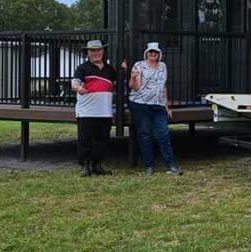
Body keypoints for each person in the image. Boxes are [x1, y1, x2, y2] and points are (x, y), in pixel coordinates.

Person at [128, 41, 181, 175]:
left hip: (158, 104)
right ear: (146, 53)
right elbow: (133, 87)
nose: (153, 54)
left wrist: (167, 107)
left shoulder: (163, 66)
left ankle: (171, 165)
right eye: (151, 52)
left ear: (159, 54)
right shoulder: (138, 65)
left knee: (163, 134)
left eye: (155, 52)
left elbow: (163, 87)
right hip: (140, 104)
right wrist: (133, 77)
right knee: (145, 134)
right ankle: (149, 166)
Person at [71, 39, 116, 177]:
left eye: (98, 50)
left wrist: (124, 70)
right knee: (85, 140)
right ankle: (85, 166)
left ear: (103, 51)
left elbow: (116, 84)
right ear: (88, 53)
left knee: (102, 140)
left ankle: (97, 165)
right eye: (93, 51)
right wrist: (78, 88)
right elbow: (74, 83)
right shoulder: (82, 68)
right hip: (86, 112)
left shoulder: (110, 69)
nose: (96, 53)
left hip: (105, 111)